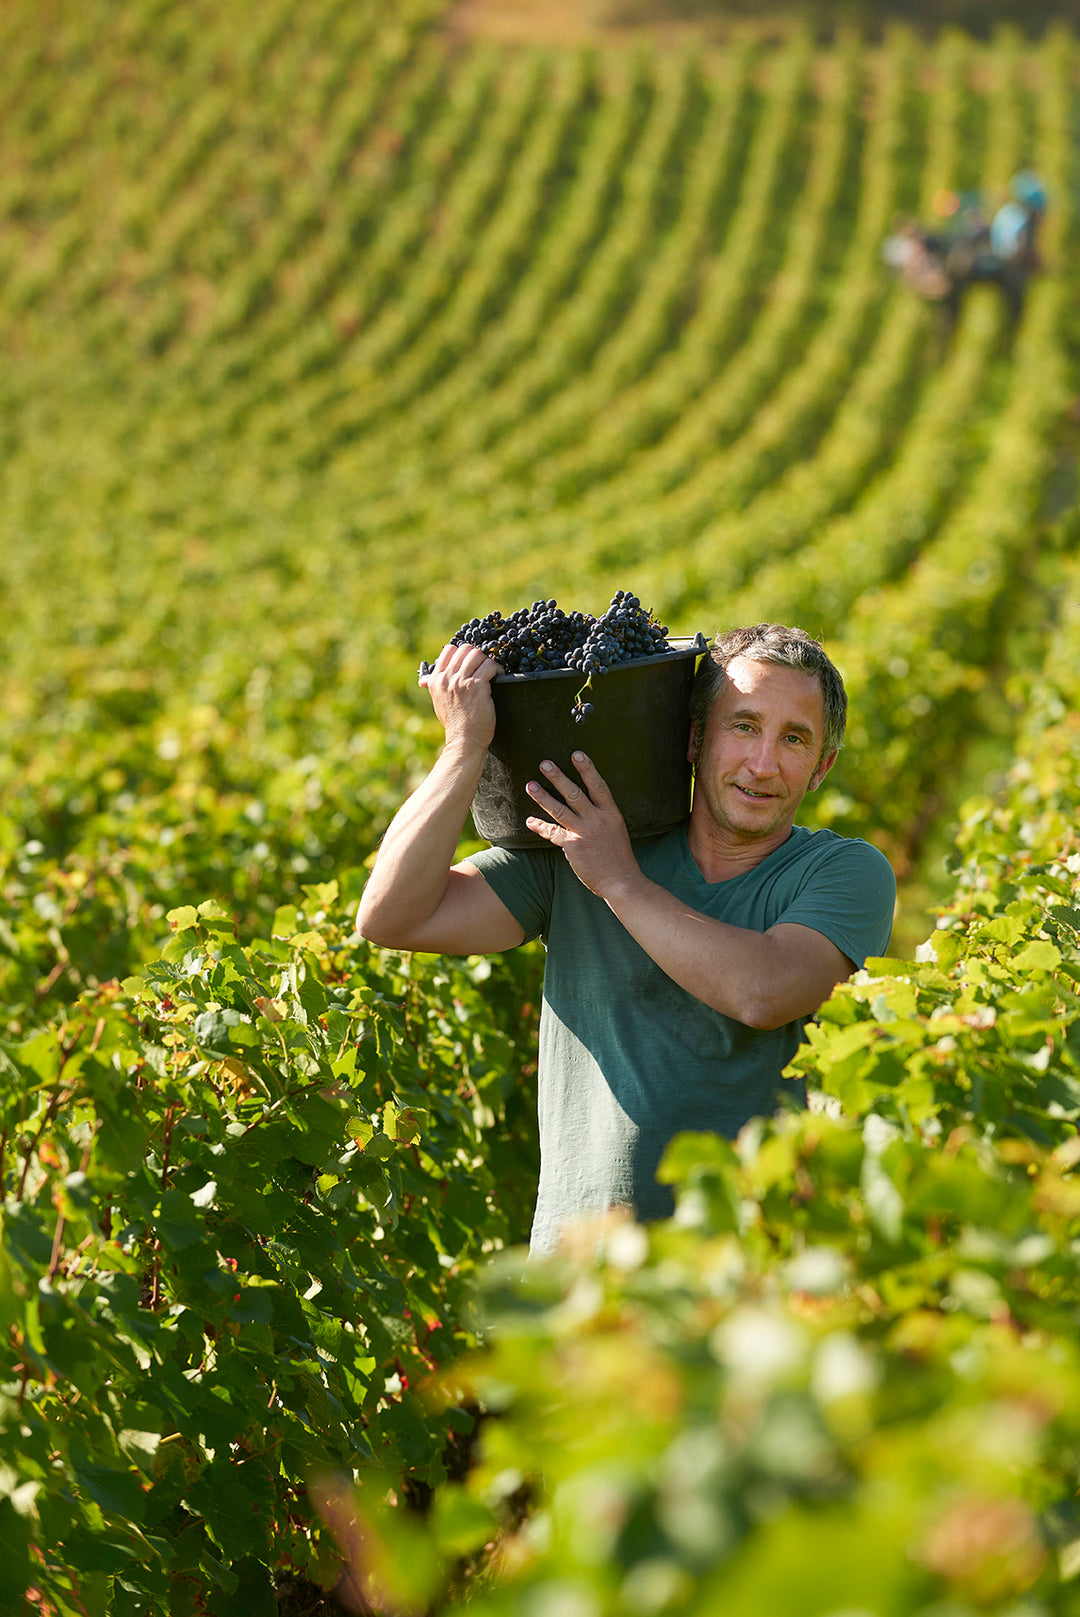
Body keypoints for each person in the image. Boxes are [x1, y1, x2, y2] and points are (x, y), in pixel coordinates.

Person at [356, 622, 896, 1256]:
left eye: (794, 740)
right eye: (743, 726)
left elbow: (765, 991)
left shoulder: (842, 873)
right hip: (577, 1275)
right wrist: (464, 746)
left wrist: (620, 881)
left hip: (745, 1276)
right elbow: (392, 917)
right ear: (694, 738)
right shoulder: (581, 846)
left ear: (822, 767)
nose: (763, 763)